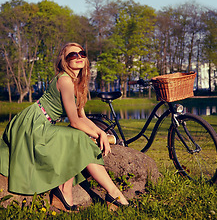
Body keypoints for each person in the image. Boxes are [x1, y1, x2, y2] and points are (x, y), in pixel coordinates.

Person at [0, 42, 128, 211]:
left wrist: (101, 132)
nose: (78, 57)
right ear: (64, 61)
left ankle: (67, 193)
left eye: (82, 53)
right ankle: (110, 194)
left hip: (44, 122)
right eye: (72, 55)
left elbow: (82, 117)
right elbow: (74, 122)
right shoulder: (65, 80)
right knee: (78, 137)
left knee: (77, 138)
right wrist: (99, 136)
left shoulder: (77, 83)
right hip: (32, 124)